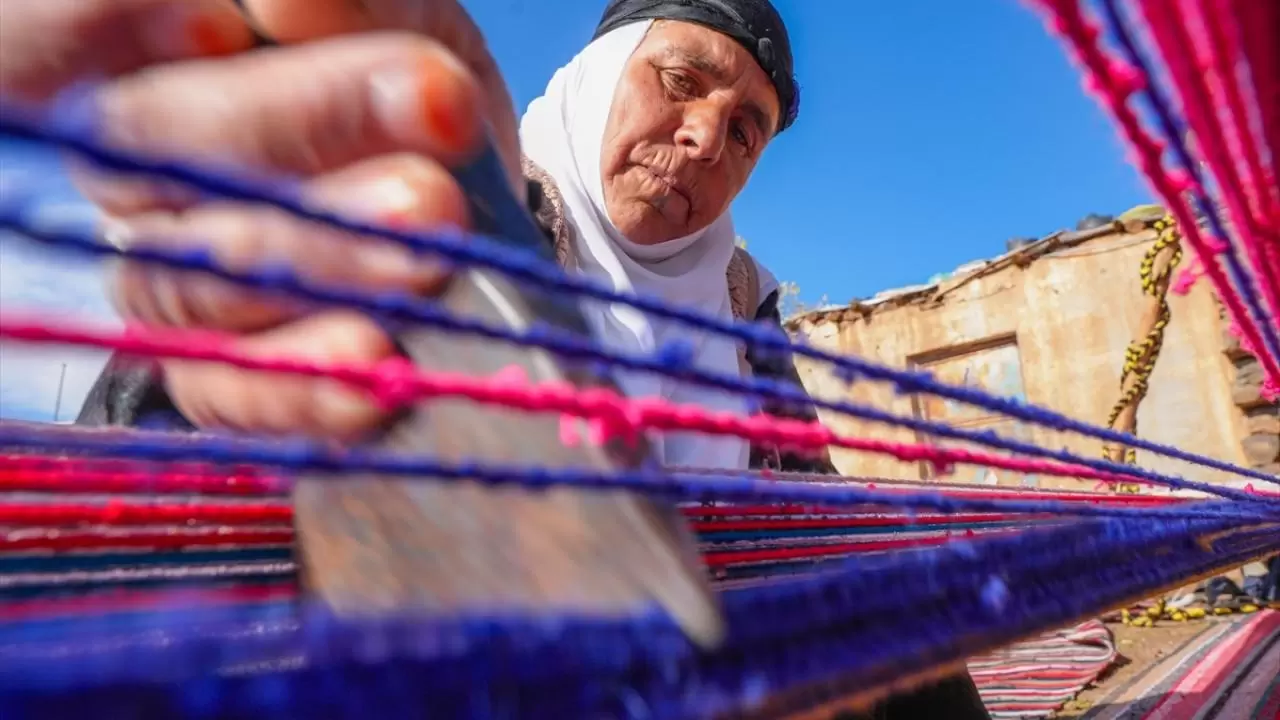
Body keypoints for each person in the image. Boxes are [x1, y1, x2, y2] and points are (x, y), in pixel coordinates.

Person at [2, 0, 990, 717]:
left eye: (745, 131)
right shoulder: (461, 208)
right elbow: (163, 429)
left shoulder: (741, 309)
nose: (701, 139)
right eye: (680, 82)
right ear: (601, 79)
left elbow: (815, 512)